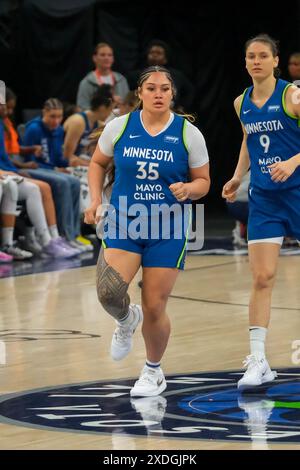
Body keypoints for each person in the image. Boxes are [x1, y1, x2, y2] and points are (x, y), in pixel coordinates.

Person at [84, 65, 210, 397]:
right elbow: (97, 163)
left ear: (172, 94)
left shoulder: (188, 133)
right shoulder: (120, 127)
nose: (158, 94)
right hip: (126, 220)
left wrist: (190, 189)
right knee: (108, 293)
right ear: (139, 93)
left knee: (154, 305)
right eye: (151, 88)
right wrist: (95, 199)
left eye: (165, 89)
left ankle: (153, 371)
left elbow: (204, 182)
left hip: (168, 227)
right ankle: (126, 320)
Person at [222, 34, 300, 389]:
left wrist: (293, 161)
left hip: (297, 190)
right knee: (262, 277)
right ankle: (259, 361)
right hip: (265, 196)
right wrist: (238, 176)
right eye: (250, 56)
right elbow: (248, 140)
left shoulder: (292, 95)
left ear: (275, 60)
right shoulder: (241, 102)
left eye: (262, 56)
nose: (256, 61)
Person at [22, 98, 84, 250]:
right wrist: (55, 169)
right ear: (44, 113)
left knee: (75, 182)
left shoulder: (58, 130)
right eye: (52, 116)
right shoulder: (34, 129)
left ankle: (74, 234)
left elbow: (57, 158)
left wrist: (69, 161)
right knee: (63, 182)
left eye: (59, 116)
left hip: (49, 169)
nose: (56, 121)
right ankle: (64, 235)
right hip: (32, 169)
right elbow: (29, 160)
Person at [128, 39, 195, 111]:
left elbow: (190, 92)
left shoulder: (176, 75)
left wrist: (181, 106)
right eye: (152, 52)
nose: (154, 55)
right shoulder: (137, 75)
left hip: (171, 112)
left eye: (158, 53)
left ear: (165, 58)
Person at [63, 85, 114, 167]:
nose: (110, 114)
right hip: (62, 163)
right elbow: (66, 156)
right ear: (102, 107)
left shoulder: (99, 125)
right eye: (110, 110)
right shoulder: (78, 122)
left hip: (77, 161)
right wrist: (90, 164)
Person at [76, 42, 129, 111]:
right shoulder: (86, 83)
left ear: (113, 59)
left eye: (110, 55)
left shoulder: (121, 80)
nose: (106, 58)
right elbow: (82, 108)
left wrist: (122, 105)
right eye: (102, 55)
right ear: (94, 58)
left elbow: (129, 105)